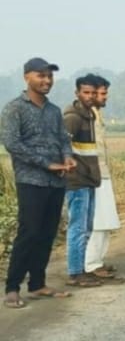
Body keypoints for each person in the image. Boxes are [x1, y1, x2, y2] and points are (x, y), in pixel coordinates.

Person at [2, 57, 76, 309]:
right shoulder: (15, 108)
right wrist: (47, 163)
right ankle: (12, 288)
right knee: (29, 232)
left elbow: (63, 139)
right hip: (31, 180)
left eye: (49, 76)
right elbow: (12, 144)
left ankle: (37, 284)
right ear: (27, 77)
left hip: (56, 182)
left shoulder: (54, 110)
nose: (46, 81)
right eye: (40, 76)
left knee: (47, 233)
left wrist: (66, 157)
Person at [63, 75, 104, 287]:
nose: (90, 97)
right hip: (76, 181)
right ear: (77, 93)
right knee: (77, 228)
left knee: (86, 227)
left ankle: (81, 270)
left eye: (93, 93)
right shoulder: (72, 117)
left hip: (89, 179)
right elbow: (62, 146)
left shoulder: (90, 115)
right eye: (86, 92)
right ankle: (75, 273)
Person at [85, 75, 121, 279]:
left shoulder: (96, 114)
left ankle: (97, 260)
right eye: (103, 93)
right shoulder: (84, 115)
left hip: (103, 173)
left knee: (106, 221)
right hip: (93, 176)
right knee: (97, 222)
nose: (105, 97)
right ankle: (91, 264)